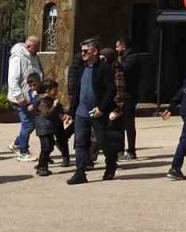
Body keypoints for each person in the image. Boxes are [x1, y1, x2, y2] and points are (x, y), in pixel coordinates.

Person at [65, 38, 118, 185]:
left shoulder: (104, 68)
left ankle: (111, 165)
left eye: (85, 51)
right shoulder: (81, 67)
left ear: (94, 51)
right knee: (80, 142)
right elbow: (77, 90)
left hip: (97, 111)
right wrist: (71, 111)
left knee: (102, 140)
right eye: (81, 51)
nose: (82, 54)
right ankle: (80, 172)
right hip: (81, 112)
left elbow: (111, 90)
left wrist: (101, 108)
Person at [7, 36, 43, 161]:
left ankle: (17, 143)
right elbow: (13, 79)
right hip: (21, 98)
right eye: (37, 47)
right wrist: (19, 97)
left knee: (31, 123)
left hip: (32, 97)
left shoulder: (34, 57)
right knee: (28, 124)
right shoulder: (17, 58)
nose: (38, 50)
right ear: (29, 46)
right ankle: (23, 150)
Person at [32, 79, 71, 170]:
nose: (56, 92)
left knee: (49, 146)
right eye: (54, 90)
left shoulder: (49, 99)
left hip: (49, 127)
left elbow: (59, 110)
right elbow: (47, 113)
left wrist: (65, 113)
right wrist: (54, 105)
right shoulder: (42, 101)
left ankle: (42, 163)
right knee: (46, 147)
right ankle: (42, 167)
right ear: (47, 90)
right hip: (43, 128)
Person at [115, 39, 141, 160]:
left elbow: (125, 68)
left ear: (123, 47)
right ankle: (119, 149)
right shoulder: (124, 58)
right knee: (119, 123)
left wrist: (115, 64)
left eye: (118, 47)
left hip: (129, 95)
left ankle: (131, 150)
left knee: (128, 123)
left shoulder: (131, 58)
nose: (116, 49)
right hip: (121, 95)